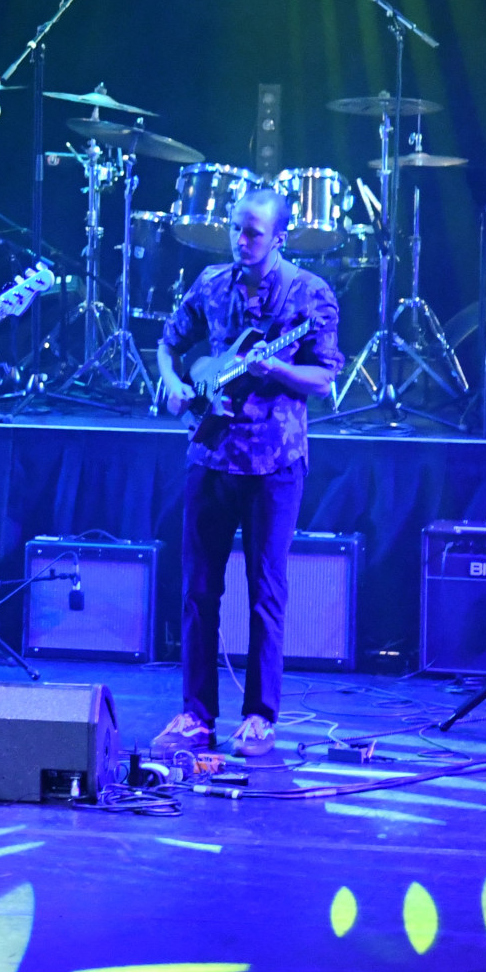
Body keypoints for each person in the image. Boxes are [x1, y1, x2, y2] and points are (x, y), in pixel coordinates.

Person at [152, 188, 344, 759]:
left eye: (253, 233)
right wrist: (175, 384)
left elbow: (324, 378)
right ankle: (196, 714)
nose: (241, 241)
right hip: (211, 454)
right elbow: (168, 344)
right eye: (236, 229)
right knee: (198, 590)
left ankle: (260, 717)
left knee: (266, 591)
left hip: (274, 461)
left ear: (280, 237)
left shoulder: (310, 293)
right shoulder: (211, 282)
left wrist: (277, 368)